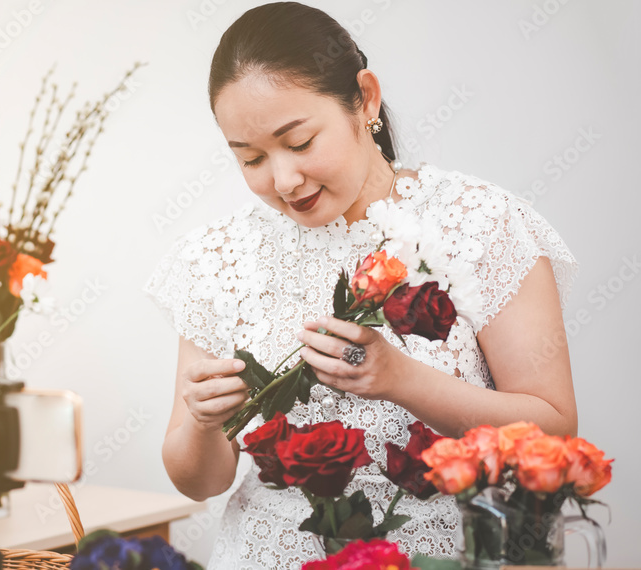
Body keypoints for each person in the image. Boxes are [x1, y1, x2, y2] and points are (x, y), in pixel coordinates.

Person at [142, 2, 579, 568]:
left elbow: (556, 435)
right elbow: (197, 482)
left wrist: (402, 380)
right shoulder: (216, 257)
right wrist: (203, 422)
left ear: (365, 98)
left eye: (298, 143)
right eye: (250, 159)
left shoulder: (479, 223)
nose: (282, 180)